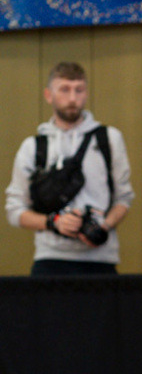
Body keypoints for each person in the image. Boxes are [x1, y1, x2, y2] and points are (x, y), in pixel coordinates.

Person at [5, 61, 134, 275]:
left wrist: (102, 226)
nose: (73, 98)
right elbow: (14, 210)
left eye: (79, 90)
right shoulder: (34, 147)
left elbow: (124, 198)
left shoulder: (109, 139)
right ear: (49, 95)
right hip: (50, 258)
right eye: (64, 89)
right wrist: (54, 222)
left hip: (100, 258)